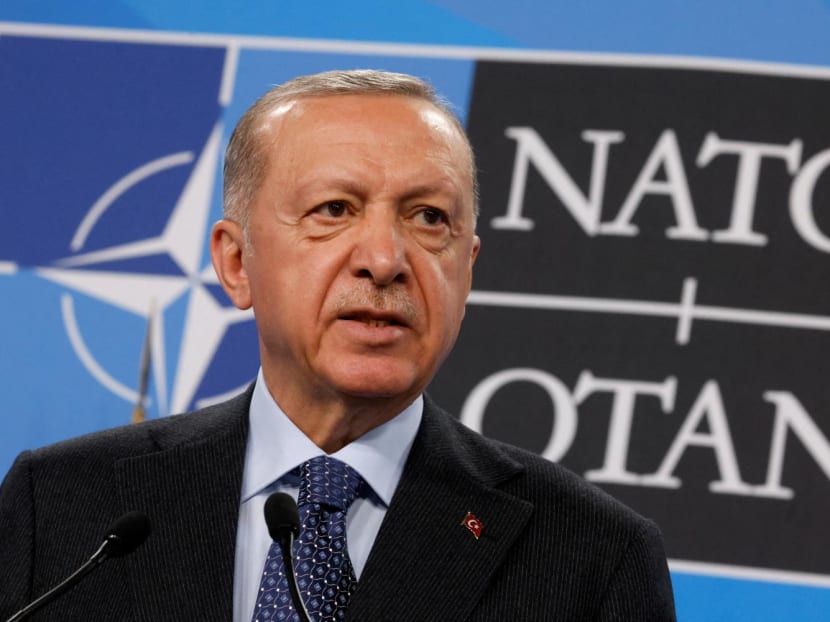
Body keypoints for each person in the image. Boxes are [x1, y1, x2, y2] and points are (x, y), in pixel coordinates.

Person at [0, 69, 676, 621]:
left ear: (467, 270)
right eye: (334, 210)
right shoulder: (63, 508)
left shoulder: (590, 558)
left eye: (429, 218)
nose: (384, 259)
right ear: (237, 263)